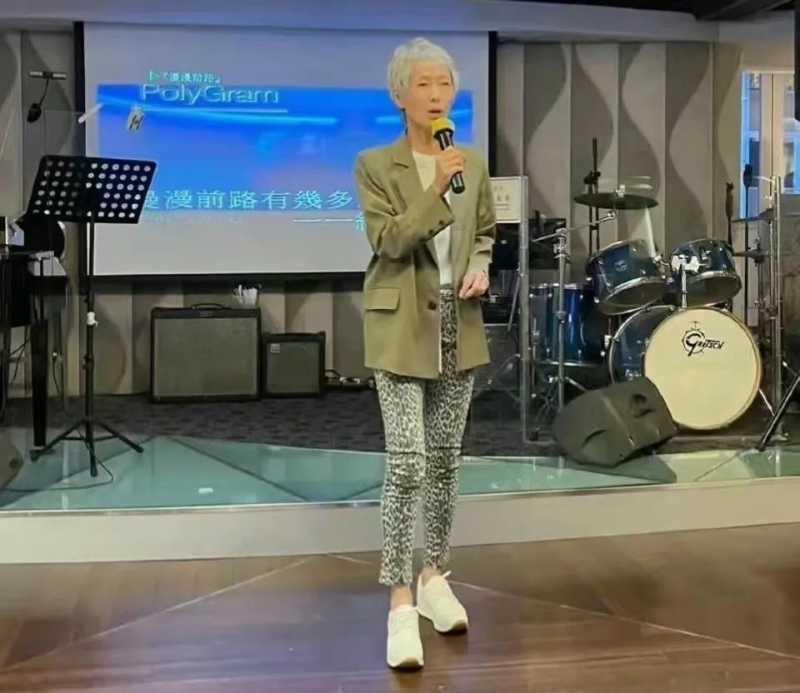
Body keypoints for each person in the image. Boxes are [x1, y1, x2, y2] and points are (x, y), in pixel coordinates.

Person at [354, 37, 496, 670]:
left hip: (457, 323)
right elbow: (389, 241)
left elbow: (484, 231)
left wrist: (482, 265)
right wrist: (436, 188)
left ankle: (435, 575)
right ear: (399, 95)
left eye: (445, 85)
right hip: (399, 325)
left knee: (444, 463)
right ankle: (399, 602)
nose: (438, 96)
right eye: (425, 85)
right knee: (407, 463)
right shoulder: (374, 165)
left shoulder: (472, 163)